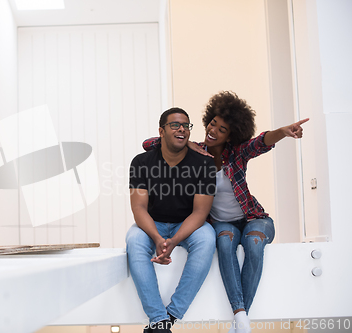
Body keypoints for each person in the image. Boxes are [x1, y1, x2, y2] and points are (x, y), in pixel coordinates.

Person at [143, 91, 308, 333]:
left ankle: (241, 317)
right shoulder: (193, 152)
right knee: (224, 243)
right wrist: (188, 143)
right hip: (221, 223)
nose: (214, 131)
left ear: (231, 135)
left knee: (253, 242)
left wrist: (282, 132)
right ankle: (241, 318)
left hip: (253, 218)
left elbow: (261, 142)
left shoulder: (238, 153)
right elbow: (148, 144)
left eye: (222, 129)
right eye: (213, 124)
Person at [127, 107, 217, 333]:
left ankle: (170, 316)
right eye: (175, 125)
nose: (182, 129)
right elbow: (138, 208)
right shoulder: (141, 162)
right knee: (134, 239)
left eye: (186, 125)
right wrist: (157, 238)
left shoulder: (204, 164)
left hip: (187, 224)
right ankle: (158, 321)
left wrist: (174, 241)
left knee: (207, 237)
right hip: (152, 223)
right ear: (161, 131)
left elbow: (200, 213)